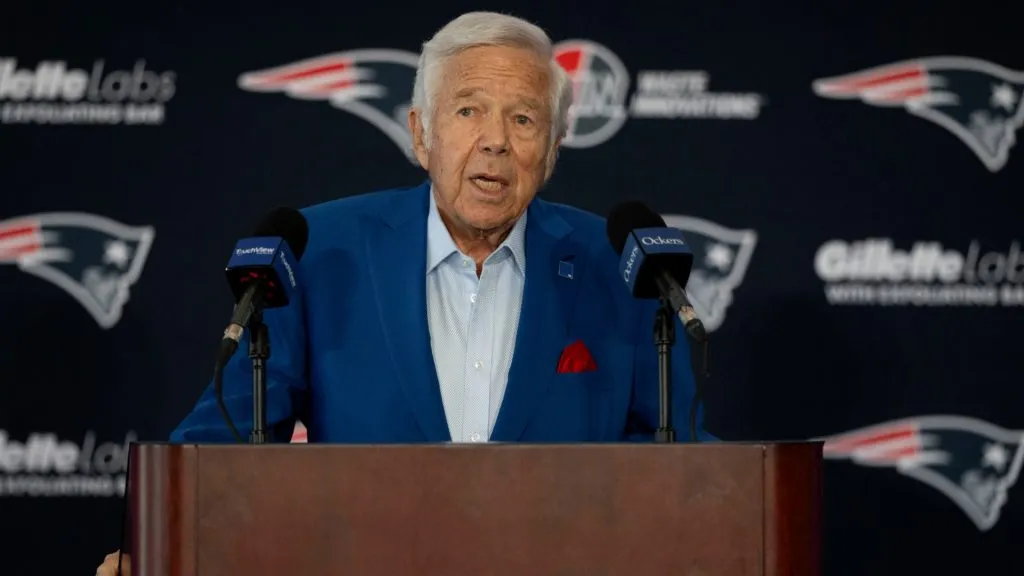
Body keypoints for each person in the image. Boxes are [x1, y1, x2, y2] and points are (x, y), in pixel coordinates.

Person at [97, 10, 715, 575]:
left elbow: (679, 461)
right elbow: (224, 439)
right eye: (469, 110)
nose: (495, 139)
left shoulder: (619, 266)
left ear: (551, 152)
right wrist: (157, 549)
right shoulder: (322, 251)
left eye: (523, 118)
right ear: (421, 134)